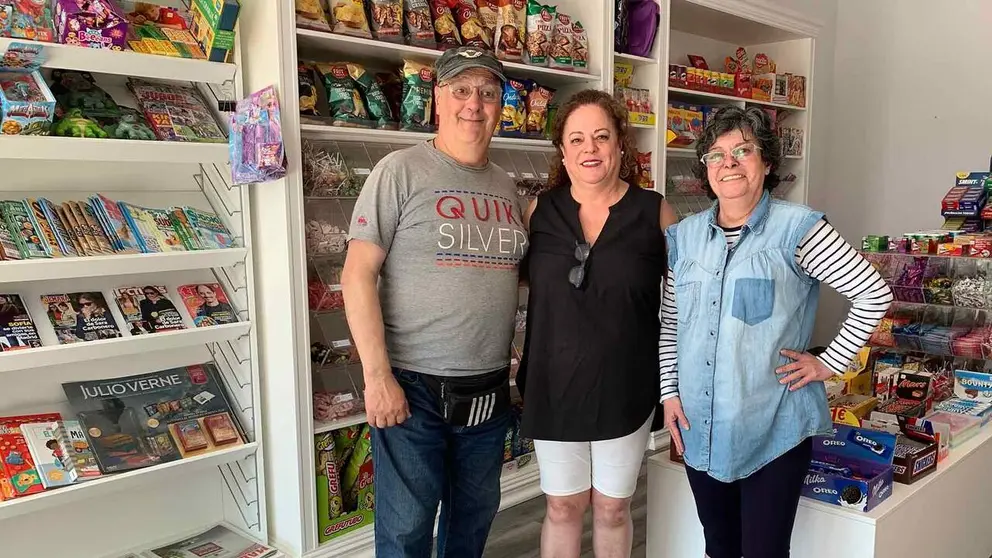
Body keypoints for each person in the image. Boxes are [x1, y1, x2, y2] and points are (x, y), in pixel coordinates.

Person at [659, 106, 893, 558]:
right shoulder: (683, 237)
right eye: (716, 154)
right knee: (719, 548)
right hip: (700, 425)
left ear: (766, 162)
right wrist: (670, 393)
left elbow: (872, 292)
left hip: (774, 428)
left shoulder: (799, 229)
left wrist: (830, 362)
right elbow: (671, 324)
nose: (729, 163)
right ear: (704, 168)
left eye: (743, 150)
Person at [341, 46, 528, 558]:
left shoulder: (507, 187)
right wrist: (377, 377)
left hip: (489, 386)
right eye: (462, 91)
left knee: (472, 523)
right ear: (438, 100)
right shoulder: (399, 171)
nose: (475, 103)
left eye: (488, 93)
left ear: (499, 106)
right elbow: (357, 275)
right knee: (406, 531)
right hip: (413, 387)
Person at [516, 89, 678, 558]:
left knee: (611, 508)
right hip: (553, 383)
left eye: (602, 137)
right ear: (563, 152)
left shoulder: (654, 211)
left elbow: (692, 294)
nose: (590, 148)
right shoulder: (539, 213)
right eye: (578, 138)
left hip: (624, 386)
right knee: (563, 507)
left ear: (620, 147)